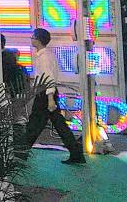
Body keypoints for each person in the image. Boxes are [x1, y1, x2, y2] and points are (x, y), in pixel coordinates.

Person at [24, 28, 85, 165]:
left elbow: (48, 78)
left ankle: (21, 153)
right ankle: (76, 153)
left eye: (32, 37)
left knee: (35, 124)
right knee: (59, 124)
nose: (31, 39)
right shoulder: (46, 55)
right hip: (47, 93)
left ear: (38, 40)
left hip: (45, 94)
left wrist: (50, 99)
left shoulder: (44, 57)